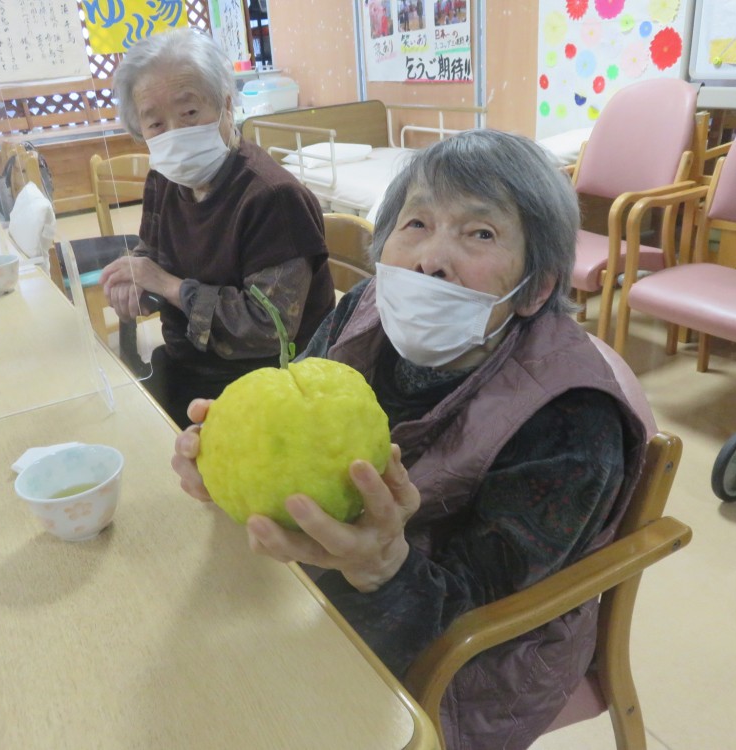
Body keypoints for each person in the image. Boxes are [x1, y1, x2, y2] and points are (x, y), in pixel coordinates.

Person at [172, 129, 649, 750]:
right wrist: (226, 462)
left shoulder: (574, 421)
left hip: (465, 660)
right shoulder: (362, 308)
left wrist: (383, 569)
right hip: (333, 591)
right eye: (416, 222)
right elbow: (292, 446)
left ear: (535, 288)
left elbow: (483, 617)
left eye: (481, 233)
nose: (430, 259)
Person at [99, 28, 335, 429]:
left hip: (269, 390)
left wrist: (167, 285)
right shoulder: (165, 179)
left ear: (226, 106)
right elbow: (151, 253)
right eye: (155, 124)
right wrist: (135, 280)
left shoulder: (273, 198)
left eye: (189, 113)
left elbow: (267, 330)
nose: (174, 133)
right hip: (188, 368)